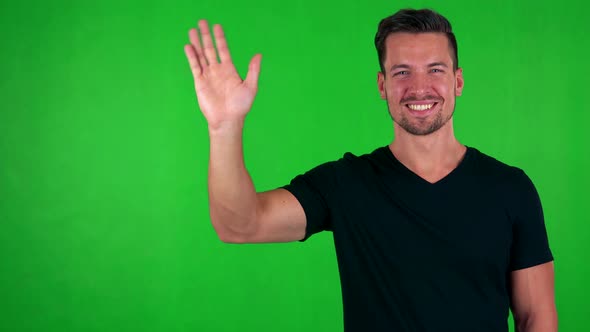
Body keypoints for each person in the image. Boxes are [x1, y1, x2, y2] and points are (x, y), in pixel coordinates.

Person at [183, 8, 557, 332]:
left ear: (457, 81)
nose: (419, 88)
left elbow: (536, 317)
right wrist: (225, 127)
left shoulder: (510, 189)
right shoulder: (346, 185)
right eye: (402, 73)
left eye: (435, 70)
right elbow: (239, 224)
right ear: (382, 85)